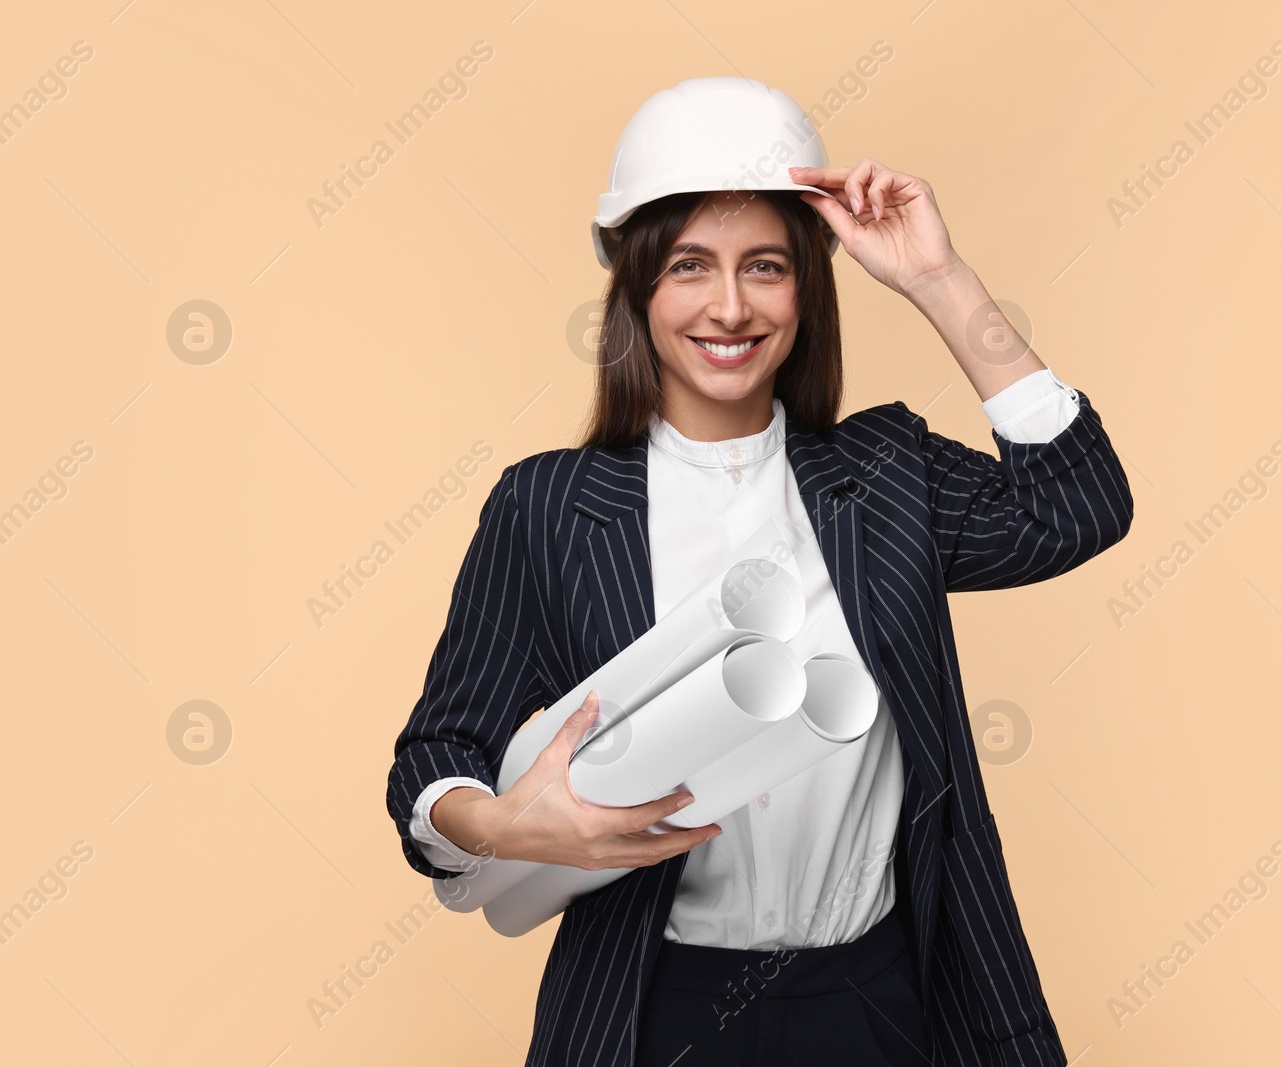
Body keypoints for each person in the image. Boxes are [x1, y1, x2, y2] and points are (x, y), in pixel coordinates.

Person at [385, 77, 1134, 1066]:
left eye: (766, 266)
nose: (728, 305)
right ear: (639, 287)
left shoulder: (886, 476)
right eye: (690, 265)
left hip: (875, 998)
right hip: (652, 1003)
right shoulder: (550, 507)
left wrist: (939, 279)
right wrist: (502, 822)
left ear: (806, 287)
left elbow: (1074, 507)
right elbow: (436, 754)